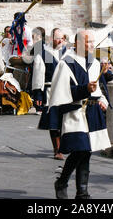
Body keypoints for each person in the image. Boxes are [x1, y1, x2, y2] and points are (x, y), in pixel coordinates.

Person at [49, 30, 111, 199]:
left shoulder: (95, 63)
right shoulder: (66, 63)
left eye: (92, 41)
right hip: (75, 113)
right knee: (79, 150)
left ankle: (82, 192)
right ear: (77, 43)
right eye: (88, 41)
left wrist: (102, 101)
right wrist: (84, 89)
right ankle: (63, 182)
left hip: (92, 113)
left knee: (86, 151)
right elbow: (60, 92)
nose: (91, 45)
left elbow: (100, 88)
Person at [35, 28, 67, 160]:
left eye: (62, 38)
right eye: (57, 38)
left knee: (66, 120)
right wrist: (38, 94)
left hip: (66, 91)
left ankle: (65, 146)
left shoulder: (68, 53)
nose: (59, 41)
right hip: (50, 91)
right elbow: (38, 74)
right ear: (50, 39)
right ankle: (57, 149)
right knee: (54, 121)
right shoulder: (43, 53)